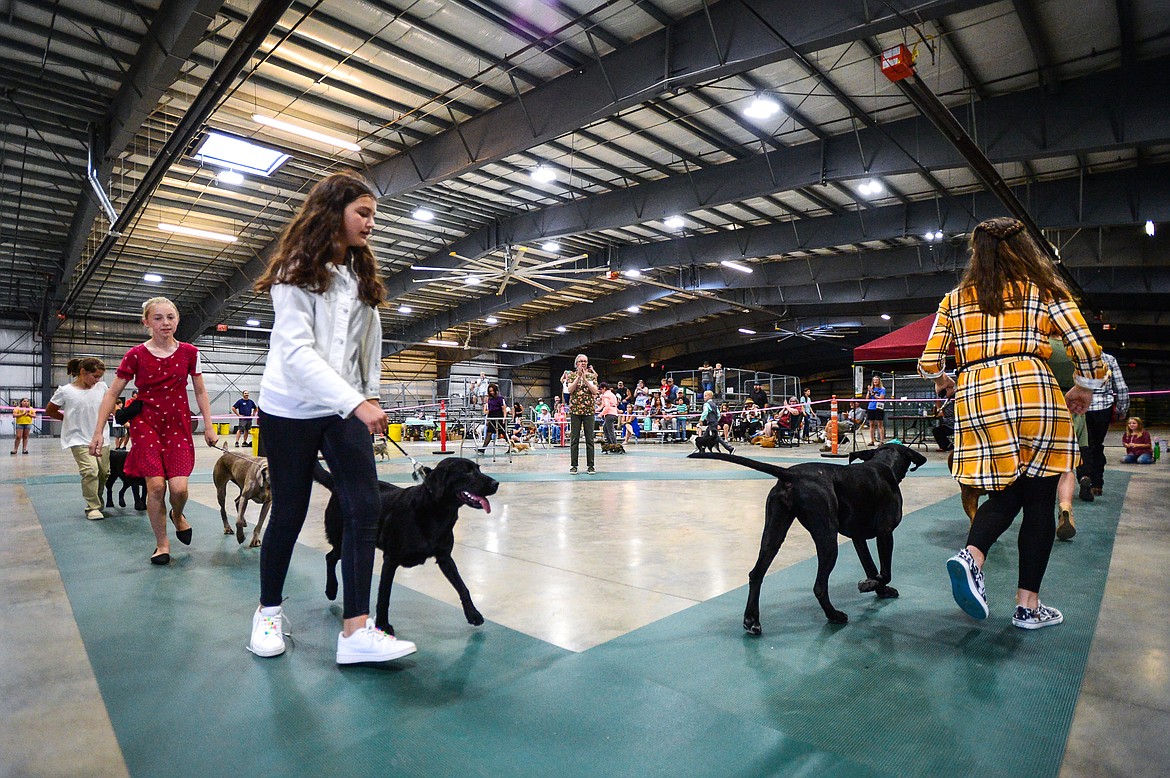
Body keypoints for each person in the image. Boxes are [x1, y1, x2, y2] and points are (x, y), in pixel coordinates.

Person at [246, 172, 415, 664]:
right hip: (289, 409)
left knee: (364, 508)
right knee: (291, 510)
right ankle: (268, 612)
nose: (371, 224)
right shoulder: (294, 271)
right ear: (332, 211)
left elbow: (369, 343)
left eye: (374, 215)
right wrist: (356, 402)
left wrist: (371, 395)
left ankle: (356, 632)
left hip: (344, 406)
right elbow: (296, 353)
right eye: (363, 213)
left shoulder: (360, 274)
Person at [919, 216, 1104, 631]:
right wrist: (1083, 389)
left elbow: (930, 361)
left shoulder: (953, 300)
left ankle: (972, 556)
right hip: (1032, 392)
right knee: (1038, 498)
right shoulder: (1044, 289)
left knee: (1005, 492)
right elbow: (1087, 348)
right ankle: (1027, 607)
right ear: (1025, 249)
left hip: (977, 396)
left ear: (976, 252)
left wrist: (945, 380)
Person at [89, 299, 217, 560]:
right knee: (156, 487)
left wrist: (209, 426)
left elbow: (201, 390)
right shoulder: (135, 355)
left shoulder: (190, 353)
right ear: (146, 322)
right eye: (158, 318)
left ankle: (177, 514)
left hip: (178, 424)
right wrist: (98, 431)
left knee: (179, 489)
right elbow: (112, 393)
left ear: (178, 320)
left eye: (170, 317)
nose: (165, 323)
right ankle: (162, 544)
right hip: (146, 424)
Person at [45, 360, 111, 519]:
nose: (97, 380)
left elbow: (110, 406)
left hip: (102, 438)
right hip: (78, 438)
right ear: (83, 372)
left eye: (100, 377)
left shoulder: (102, 387)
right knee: (90, 471)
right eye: (95, 376)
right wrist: (67, 419)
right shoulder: (65, 391)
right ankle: (92, 507)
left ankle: (97, 498)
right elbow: (50, 410)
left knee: (104, 473)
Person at [1076, 352, 1129, 499]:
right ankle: (1097, 485)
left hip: (1080, 408)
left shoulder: (1076, 356)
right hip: (1103, 409)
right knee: (1098, 445)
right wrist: (1122, 410)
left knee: (1084, 445)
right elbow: (1122, 388)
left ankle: (1084, 477)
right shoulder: (1109, 359)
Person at [561, 354, 598, 473]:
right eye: (581, 361)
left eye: (585, 361)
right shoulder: (570, 376)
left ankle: (590, 465)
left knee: (590, 439)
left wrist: (585, 379)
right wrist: (578, 377)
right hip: (575, 411)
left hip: (589, 411)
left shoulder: (592, 376)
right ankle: (574, 465)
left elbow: (595, 391)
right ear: (576, 363)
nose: (583, 363)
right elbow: (570, 390)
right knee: (574, 439)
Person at [478, 383, 507, 453]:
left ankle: (512, 446)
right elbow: (489, 409)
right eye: (490, 391)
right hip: (491, 416)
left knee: (503, 433)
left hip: (499, 416)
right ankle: (483, 449)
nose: (492, 392)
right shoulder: (489, 399)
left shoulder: (500, 398)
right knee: (489, 432)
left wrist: (504, 418)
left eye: (493, 391)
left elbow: (504, 408)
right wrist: (488, 419)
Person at [865, 375, 887, 446]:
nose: (875, 382)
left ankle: (881, 441)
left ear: (879, 381)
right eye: (874, 380)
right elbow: (867, 399)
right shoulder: (872, 388)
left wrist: (874, 394)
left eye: (876, 380)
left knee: (880, 424)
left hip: (878, 408)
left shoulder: (882, 389)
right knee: (871, 424)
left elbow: (881, 398)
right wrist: (869, 391)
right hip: (871, 407)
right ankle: (872, 440)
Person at [598, 381, 619, 446]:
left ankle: (614, 445)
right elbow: (602, 405)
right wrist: (596, 410)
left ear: (604, 388)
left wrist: (601, 414)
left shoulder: (605, 396)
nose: (600, 391)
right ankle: (611, 444)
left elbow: (607, 407)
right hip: (614, 413)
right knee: (605, 429)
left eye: (601, 389)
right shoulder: (612, 394)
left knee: (610, 431)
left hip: (609, 414)